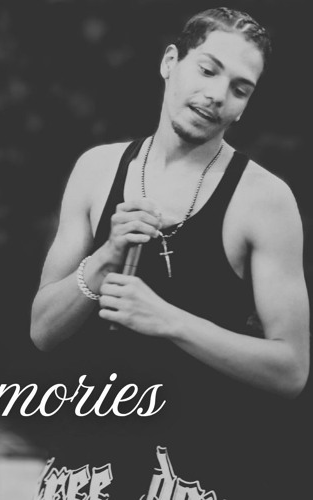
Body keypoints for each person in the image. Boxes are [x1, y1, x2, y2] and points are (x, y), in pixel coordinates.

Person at [30, 7, 310, 500]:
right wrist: (104, 258)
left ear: (245, 106)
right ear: (169, 62)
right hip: (84, 473)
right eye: (208, 70)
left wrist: (168, 320)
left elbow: (291, 368)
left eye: (240, 89)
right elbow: (42, 331)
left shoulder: (264, 200)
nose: (217, 95)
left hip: (193, 479)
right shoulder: (97, 170)